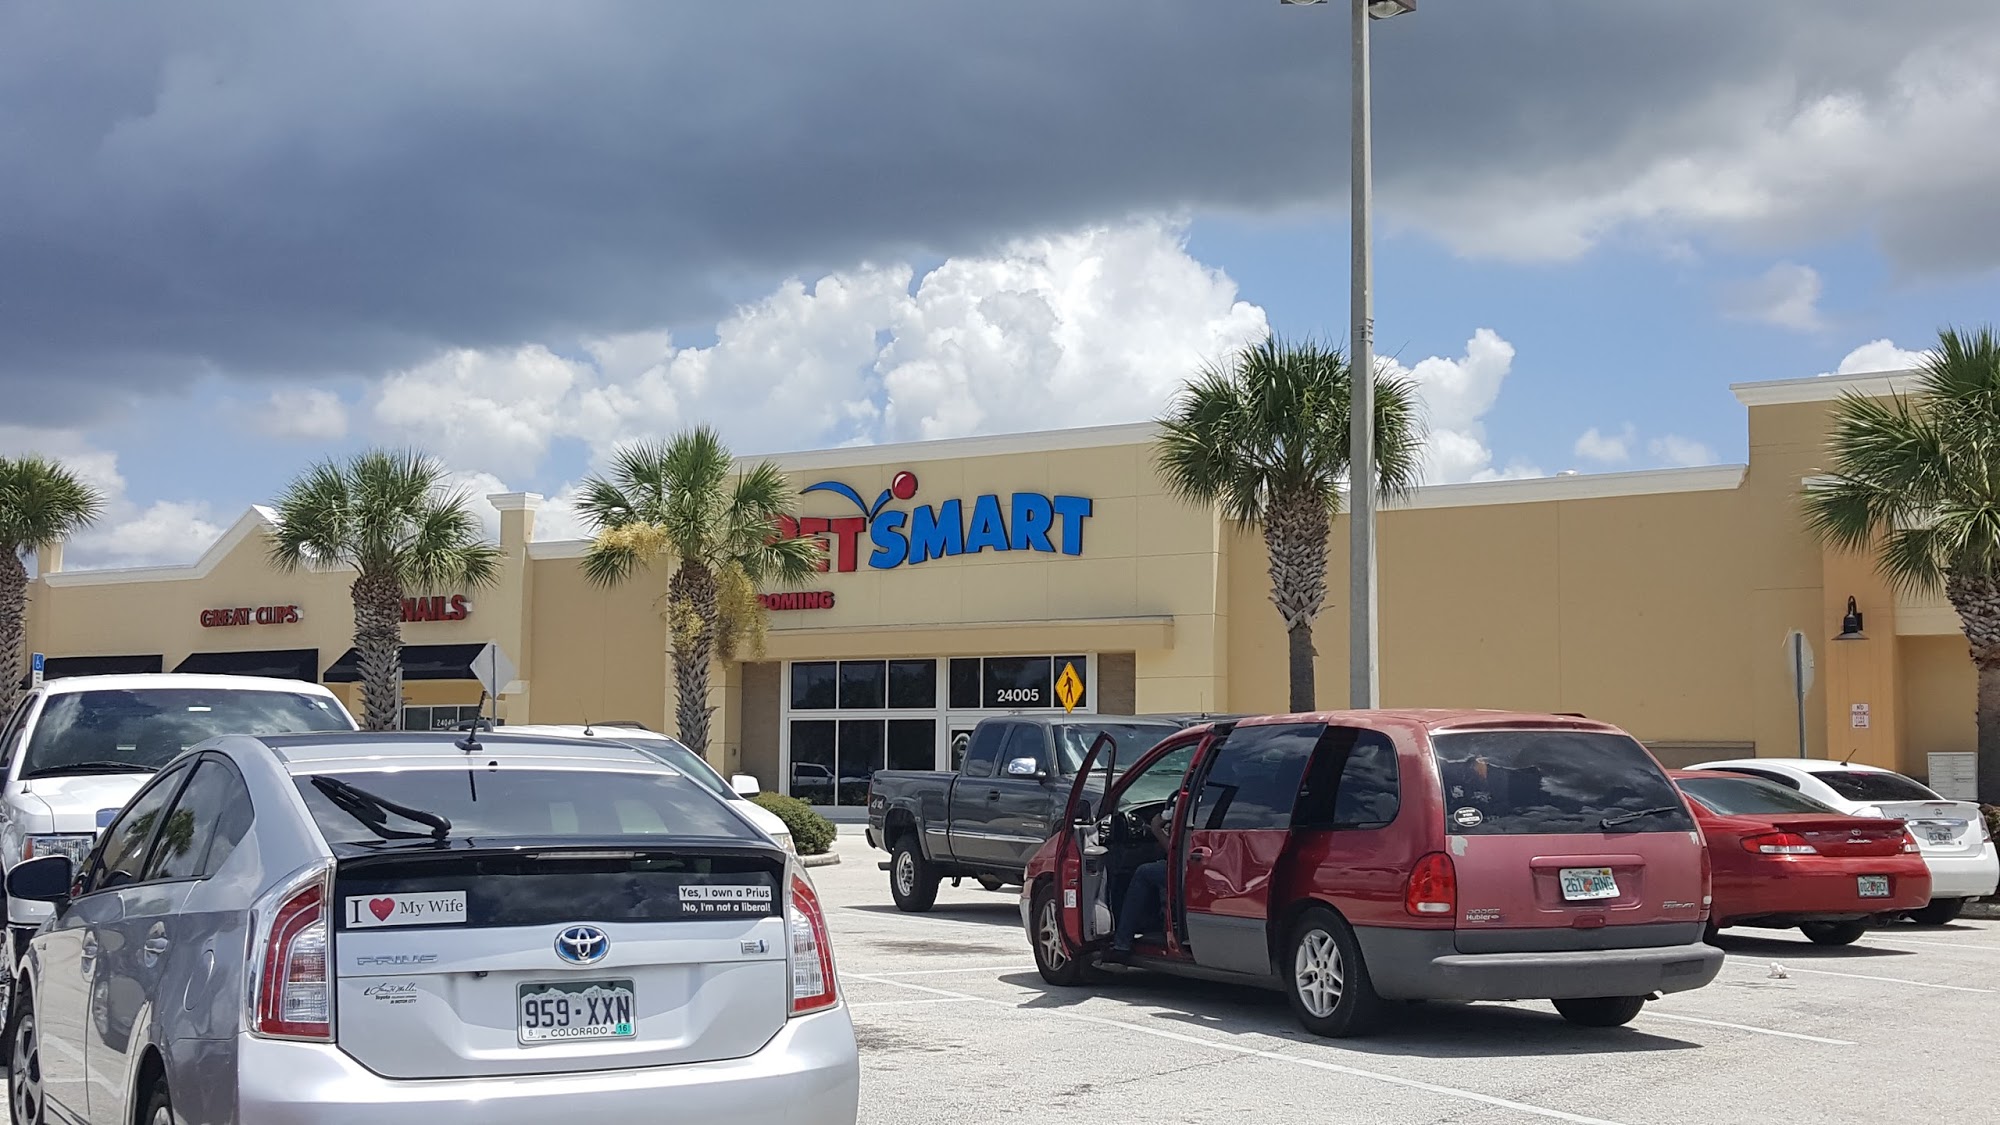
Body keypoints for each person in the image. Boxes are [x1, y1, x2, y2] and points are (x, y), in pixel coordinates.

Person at [1113, 807, 1172, 954]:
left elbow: (1177, 854)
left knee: (1144, 873)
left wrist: (1156, 829)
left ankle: (1122, 943)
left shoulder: (1196, 808)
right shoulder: (1203, 807)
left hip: (1189, 871)